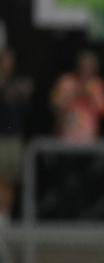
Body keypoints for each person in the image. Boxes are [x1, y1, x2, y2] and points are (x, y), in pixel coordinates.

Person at [0, 48, 32, 226]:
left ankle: (5, 217)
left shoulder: (16, 83)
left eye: (10, 61)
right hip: (1, 137)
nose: (8, 64)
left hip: (13, 138)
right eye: (5, 60)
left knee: (9, 180)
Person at [50, 50, 104, 143]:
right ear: (77, 65)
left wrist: (90, 97)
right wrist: (75, 94)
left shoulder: (97, 84)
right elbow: (55, 105)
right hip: (66, 134)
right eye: (83, 65)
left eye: (89, 66)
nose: (86, 69)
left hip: (89, 136)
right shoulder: (66, 81)